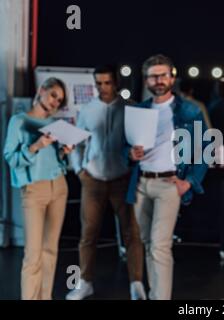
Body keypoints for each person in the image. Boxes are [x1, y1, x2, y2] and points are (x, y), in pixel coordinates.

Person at [127, 54, 208, 300]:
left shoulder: (190, 110)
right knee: (148, 244)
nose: (159, 80)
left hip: (169, 184)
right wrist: (130, 153)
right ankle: (154, 294)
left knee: (160, 246)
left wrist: (190, 182)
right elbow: (125, 147)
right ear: (147, 80)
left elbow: (204, 149)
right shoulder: (138, 110)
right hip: (141, 182)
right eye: (154, 76)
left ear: (172, 77)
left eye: (163, 74)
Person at [66, 65, 145, 300]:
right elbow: (76, 142)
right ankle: (85, 282)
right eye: (98, 83)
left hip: (122, 179)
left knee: (132, 233)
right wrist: (79, 169)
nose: (102, 87)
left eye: (107, 83)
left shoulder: (130, 109)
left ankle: (137, 284)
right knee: (88, 234)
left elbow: (137, 142)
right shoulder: (88, 110)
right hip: (93, 180)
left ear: (115, 82)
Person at [3, 77, 72, 300]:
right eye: (53, 95)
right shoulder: (19, 121)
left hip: (59, 187)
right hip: (34, 190)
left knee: (50, 251)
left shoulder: (55, 126)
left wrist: (63, 152)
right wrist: (35, 146)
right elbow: (10, 158)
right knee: (33, 255)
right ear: (42, 90)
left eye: (59, 100)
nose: (55, 102)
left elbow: (56, 162)